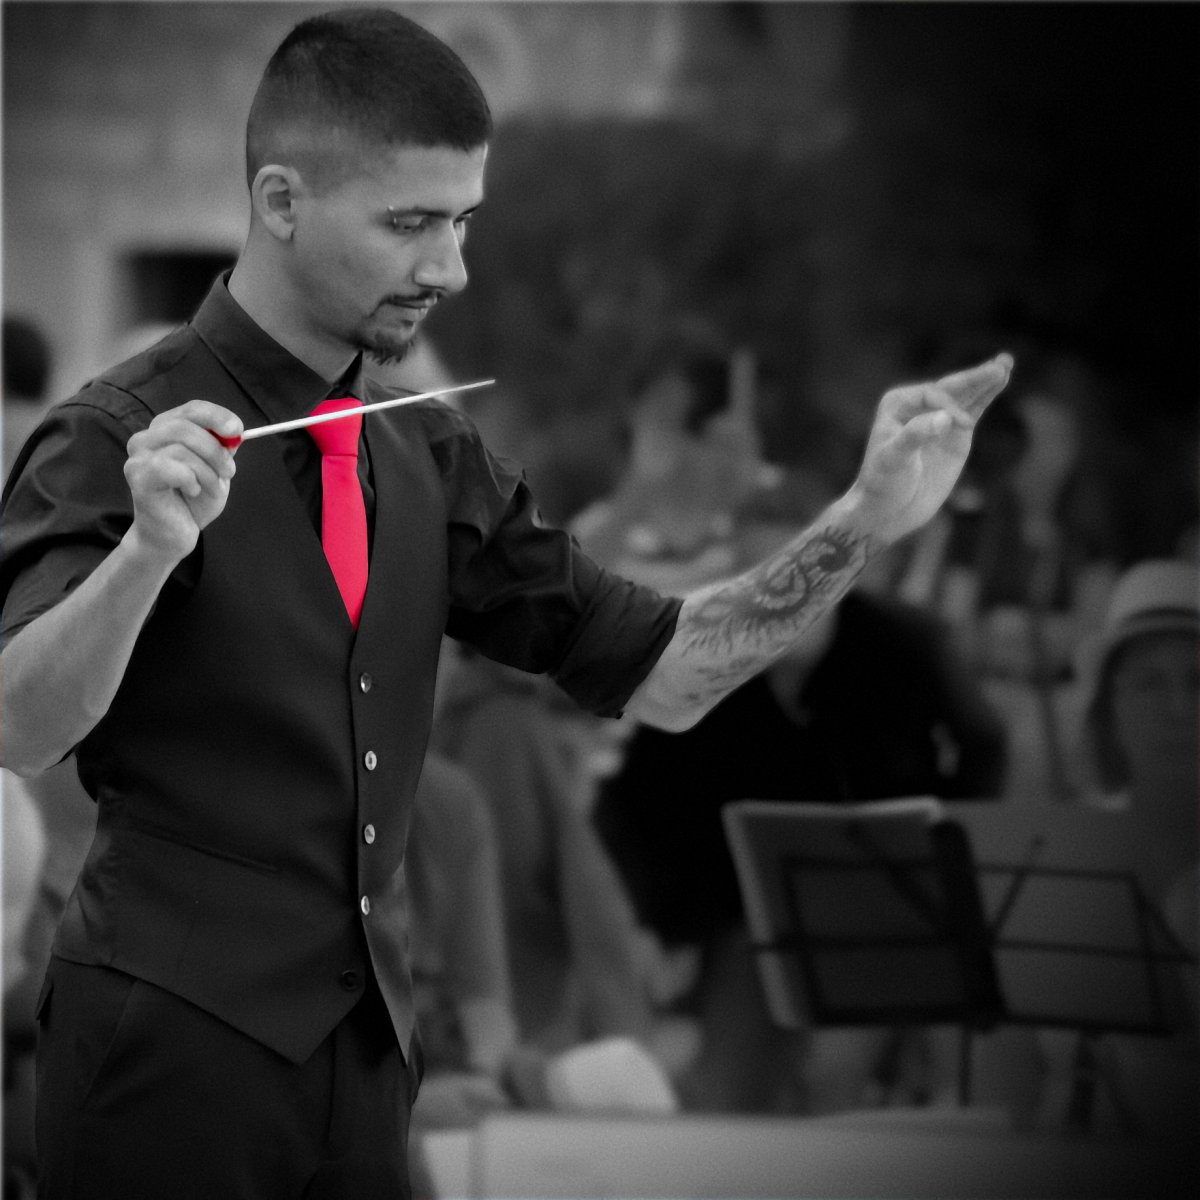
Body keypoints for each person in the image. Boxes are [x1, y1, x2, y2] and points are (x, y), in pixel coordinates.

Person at [0, 8, 1011, 1198]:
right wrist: (145, 557)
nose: (451, 268)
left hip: (368, 1071)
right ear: (280, 202)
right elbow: (17, 724)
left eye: (462, 221)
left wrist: (863, 522)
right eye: (410, 223)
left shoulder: (430, 453)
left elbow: (670, 672)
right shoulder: (110, 434)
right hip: (162, 1065)